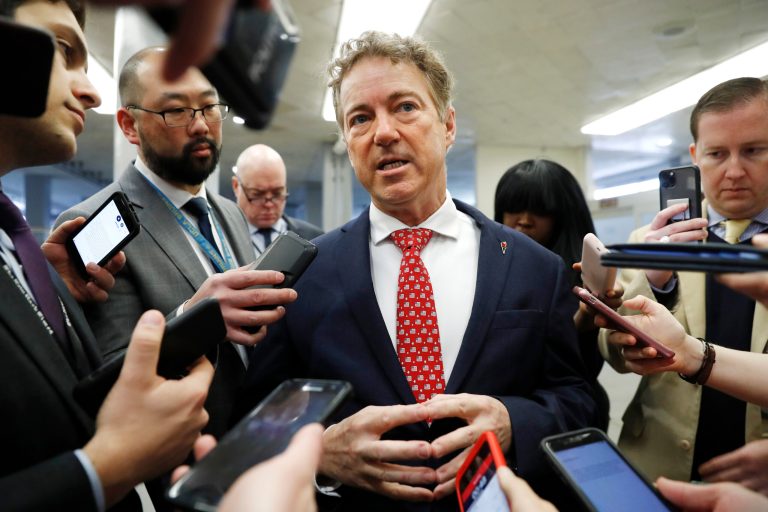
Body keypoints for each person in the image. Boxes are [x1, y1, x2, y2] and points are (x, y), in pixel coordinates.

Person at [237, 31, 597, 511]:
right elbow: (259, 417)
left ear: (447, 125)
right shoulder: (302, 276)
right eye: (360, 118)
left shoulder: (536, 268)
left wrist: (515, 420)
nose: (383, 132)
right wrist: (320, 453)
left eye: (405, 107)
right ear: (347, 140)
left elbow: (578, 400)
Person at [0, 1, 213, 510]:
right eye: (61, 49)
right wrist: (108, 466)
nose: (90, 90)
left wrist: (37, 298)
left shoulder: (23, 252)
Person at [55, 46, 297, 440]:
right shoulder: (88, 224)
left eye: (208, 106)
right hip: (177, 459)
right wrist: (195, 317)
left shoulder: (229, 212)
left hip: (256, 439)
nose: (200, 125)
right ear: (129, 126)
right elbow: (107, 376)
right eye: (176, 111)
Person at [598, 77, 768, 485]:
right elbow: (612, 352)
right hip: (657, 465)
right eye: (716, 154)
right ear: (695, 156)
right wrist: (652, 281)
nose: (733, 171)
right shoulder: (651, 241)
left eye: (754, 150)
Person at [494, 158, 611, 431]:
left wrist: (584, 320)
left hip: (568, 417)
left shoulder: (581, 275)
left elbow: (581, 368)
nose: (523, 221)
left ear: (562, 215)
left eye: (539, 211)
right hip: (504, 415)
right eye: (513, 209)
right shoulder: (488, 268)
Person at [232, 144, 323, 257]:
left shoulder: (315, 239)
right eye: (257, 194)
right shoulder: (222, 237)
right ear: (236, 186)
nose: (269, 204)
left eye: (277, 193)